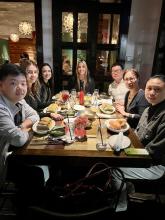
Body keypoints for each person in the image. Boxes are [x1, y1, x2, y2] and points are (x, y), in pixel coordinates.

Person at [114, 75, 165, 212]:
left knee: (114, 169)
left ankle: (121, 205)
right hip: (141, 155)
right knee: (113, 154)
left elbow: (154, 152)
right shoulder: (149, 109)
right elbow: (137, 134)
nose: (152, 92)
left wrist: (128, 153)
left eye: (158, 89)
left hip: (155, 165)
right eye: (149, 88)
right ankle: (128, 187)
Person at [0, 63, 40, 188]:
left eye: (23, 83)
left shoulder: (19, 101)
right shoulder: (1, 108)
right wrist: (23, 131)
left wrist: (21, 126)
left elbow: (35, 115)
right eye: (13, 83)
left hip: (13, 152)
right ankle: (26, 206)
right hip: (3, 160)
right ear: (1, 85)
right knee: (36, 174)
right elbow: (18, 139)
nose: (20, 88)